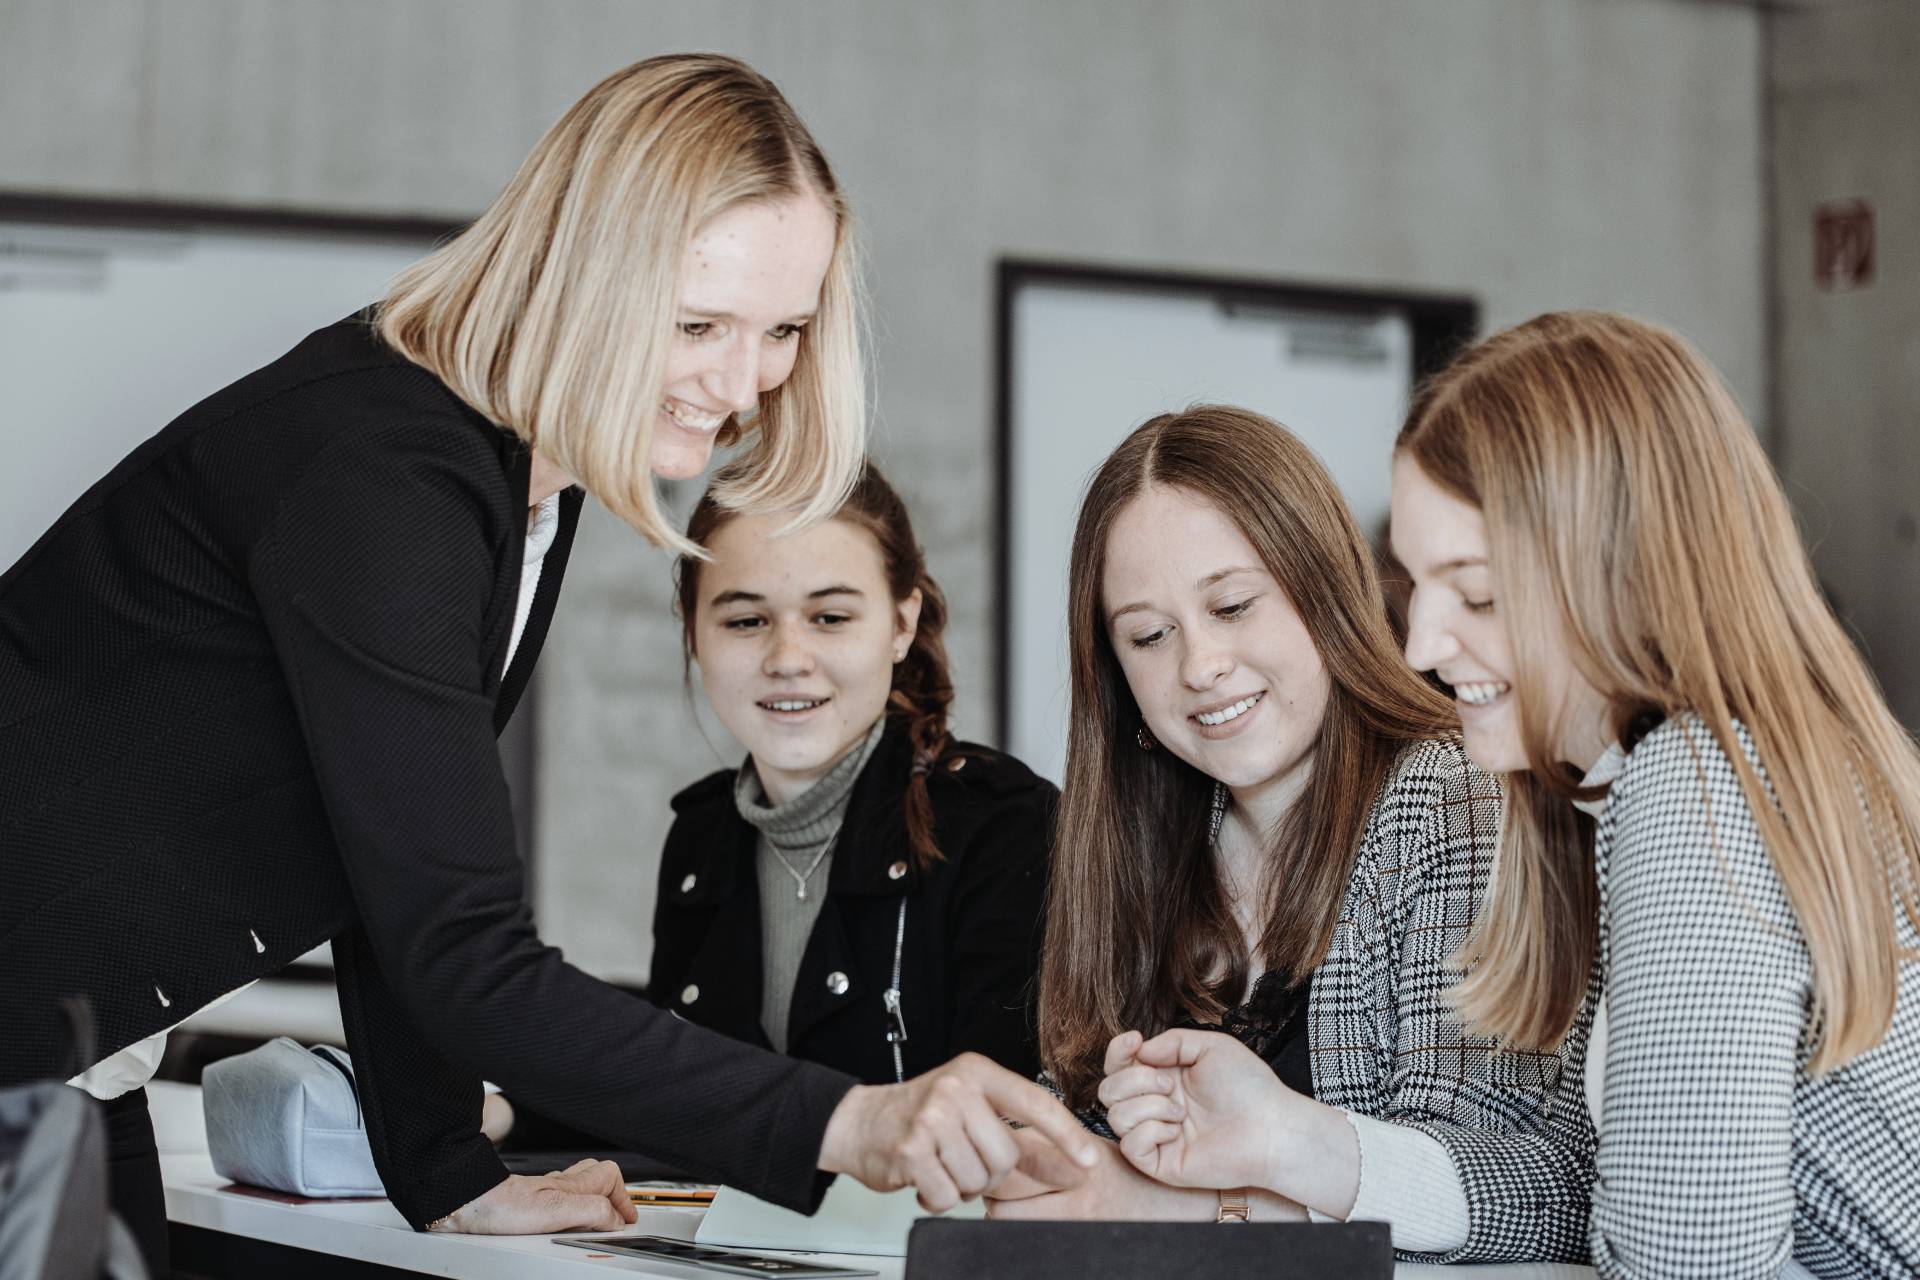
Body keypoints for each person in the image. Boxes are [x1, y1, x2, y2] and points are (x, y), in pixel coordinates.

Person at [0, 53, 1093, 1278]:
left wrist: (448, 1169)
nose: (741, 385)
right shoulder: (385, 475)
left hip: (70, 1064)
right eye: (697, 324)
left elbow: (389, 865)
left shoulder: (527, 475)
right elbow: (461, 950)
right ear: (586, 268)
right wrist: (849, 1120)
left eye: (783, 330)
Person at [1107, 315, 1920, 1276]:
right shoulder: (1619, 791)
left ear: (1623, 573)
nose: (1421, 645)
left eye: (1480, 594)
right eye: (1419, 585)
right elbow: (1601, 1204)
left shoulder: (1693, 789)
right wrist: (1286, 1147)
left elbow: (1683, 1266)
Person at [988, 406, 1596, 1263]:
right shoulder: (1139, 843)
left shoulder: (1454, 799)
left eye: (1233, 605)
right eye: (1150, 636)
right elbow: (1080, 1144)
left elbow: (1519, 1191)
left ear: (1326, 589)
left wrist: (1201, 1209)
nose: (1200, 665)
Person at [490, 463, 1055, 1149]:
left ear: (901, 624)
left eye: (830, 618)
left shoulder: (1005, 827)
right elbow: (684, 1089)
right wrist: (506, 1114)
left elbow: (1009, 1129)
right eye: (747, 620)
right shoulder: (702, 839)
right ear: (693, 632)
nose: (787, 658)